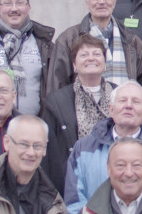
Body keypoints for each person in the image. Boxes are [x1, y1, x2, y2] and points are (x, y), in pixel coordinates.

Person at [63, 81, 142, 214]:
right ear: (110, 109)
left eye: (135, 101)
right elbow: (74, 202)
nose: (128, 105)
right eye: (122, 100)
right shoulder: (83, 148)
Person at [47, 0, 142, 93]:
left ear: (115, 1)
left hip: (123, 108)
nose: (102, 2)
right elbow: (56, 87)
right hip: (79, 109)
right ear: (87, 2)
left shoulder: (132, 41)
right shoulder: (68, 39)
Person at [42, 34, 117, 192]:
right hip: (74, 182)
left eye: (96, 54)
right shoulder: (57, 101)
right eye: (84, 55)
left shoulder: (121, 96)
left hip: (117, 178)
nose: (91, 58)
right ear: (74, 65)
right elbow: (51, 152)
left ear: (104, 64)